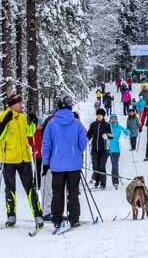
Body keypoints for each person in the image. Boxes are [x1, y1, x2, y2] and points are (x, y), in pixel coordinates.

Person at [0, 93, 43, 228]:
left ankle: (38, 215)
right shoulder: (1, 116)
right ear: (12, 105)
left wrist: (33, 123)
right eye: (19, 103)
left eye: (21, 103)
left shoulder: (22, 118)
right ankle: (11, 215)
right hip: (9, 158)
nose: (22, 105)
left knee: (30, 187)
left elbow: (28, 133)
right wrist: (5, 121)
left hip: (24, 158)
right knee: (10, 188)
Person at [42, 94, 88, 229]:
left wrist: (46, 163)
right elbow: (83, 143)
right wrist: (75, 152)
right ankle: (74, 218)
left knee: (58, 193)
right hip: (74, 164)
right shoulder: (77, 123)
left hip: (56, 165)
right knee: (73, 192)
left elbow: (46, 145)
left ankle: (57, 219)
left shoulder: (52, 123)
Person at [87, 108, 113, 189]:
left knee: (101, 167)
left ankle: (103, 183)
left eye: (100, 115)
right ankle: (97, 182)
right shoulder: (93, 124)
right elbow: (89, 134)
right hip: (94, 149)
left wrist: (107, 135)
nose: (99, 116)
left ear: (103, 116)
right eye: (98, 115)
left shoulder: (107, 125)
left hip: (104, 150)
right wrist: (86, 139)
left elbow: (112, 136)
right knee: (95, 167)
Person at [107, 114, 130, 189]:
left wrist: (128, 132)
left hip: (116, 150)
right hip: (106, 148)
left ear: (117, 120)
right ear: (110, 120)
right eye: (112, 119)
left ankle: (115, 182)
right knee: (101, 164)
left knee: (115, 165)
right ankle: (96, 179)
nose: (113, 120)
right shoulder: (107, 126)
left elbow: (125, 134)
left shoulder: (120, 127)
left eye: (114, 119)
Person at [28, 114, 44, 189]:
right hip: (36, 153)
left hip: (42, 153)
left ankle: (40, 182)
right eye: (38, 124)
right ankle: (36, 183)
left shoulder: (43, 132)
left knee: (41, 169)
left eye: (41, 125)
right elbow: (29, 140)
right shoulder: (33, 131)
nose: (40, 126)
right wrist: (32, 145)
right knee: (37, 169)